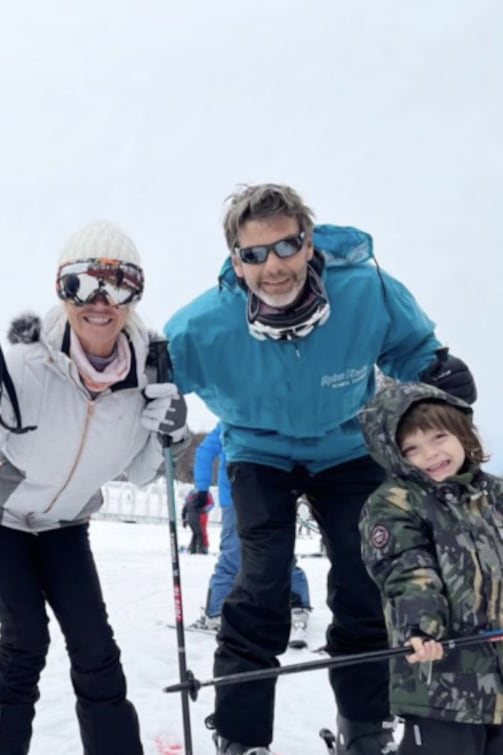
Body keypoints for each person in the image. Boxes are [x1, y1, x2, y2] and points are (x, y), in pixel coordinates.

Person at [163, 183, 476, 755]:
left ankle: (366, 726)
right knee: (261, 580)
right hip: (258, 453)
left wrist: (436, 370)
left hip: (346, 450)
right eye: (254, 255)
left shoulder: (366, 290)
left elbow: (410, 347)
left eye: (285, 248)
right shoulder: (201, 325)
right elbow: (144, 375)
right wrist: (149, 405)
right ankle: (241, 735)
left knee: (363, 579)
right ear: (236, 259)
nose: (272, 267)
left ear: (308, 245)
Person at [0, 220, 190, 755]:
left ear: (136, 295)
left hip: (65, 525)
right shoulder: (20, 366)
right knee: (25, 638)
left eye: (119, 284)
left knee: (95, 647)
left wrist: (170, 432)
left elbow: (144, 472)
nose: (100, 302)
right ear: (61, 289)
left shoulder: (150, 376)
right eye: (81, 284)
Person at [359, 382, 503, 755]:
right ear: (395, 456)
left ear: (461, 431)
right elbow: (407, 570)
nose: (431, 454)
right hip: (443, 684)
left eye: (439, 437)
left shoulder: (496, 494)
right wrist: (422, 627)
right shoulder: (394, 503)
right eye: (412, 449)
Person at [190, 424, 312, 649]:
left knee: (234, 554)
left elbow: (205, 451)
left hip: (241, 494)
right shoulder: (277, 417)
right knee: (277, 551)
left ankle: (216, 612)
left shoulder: (232, 418)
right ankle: (298, 604)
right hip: (270, 493)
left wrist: (202, 489)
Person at [182, 486, 213, 553]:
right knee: (201, 532)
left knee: (197, 532)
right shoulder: (206, 492)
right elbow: (211, 504)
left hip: (195, 515)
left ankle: (194, 548)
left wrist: (184, 518)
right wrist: (204, 510)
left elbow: (186, 505)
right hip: (200, 515)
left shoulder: (191, 492)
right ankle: (202, 548)